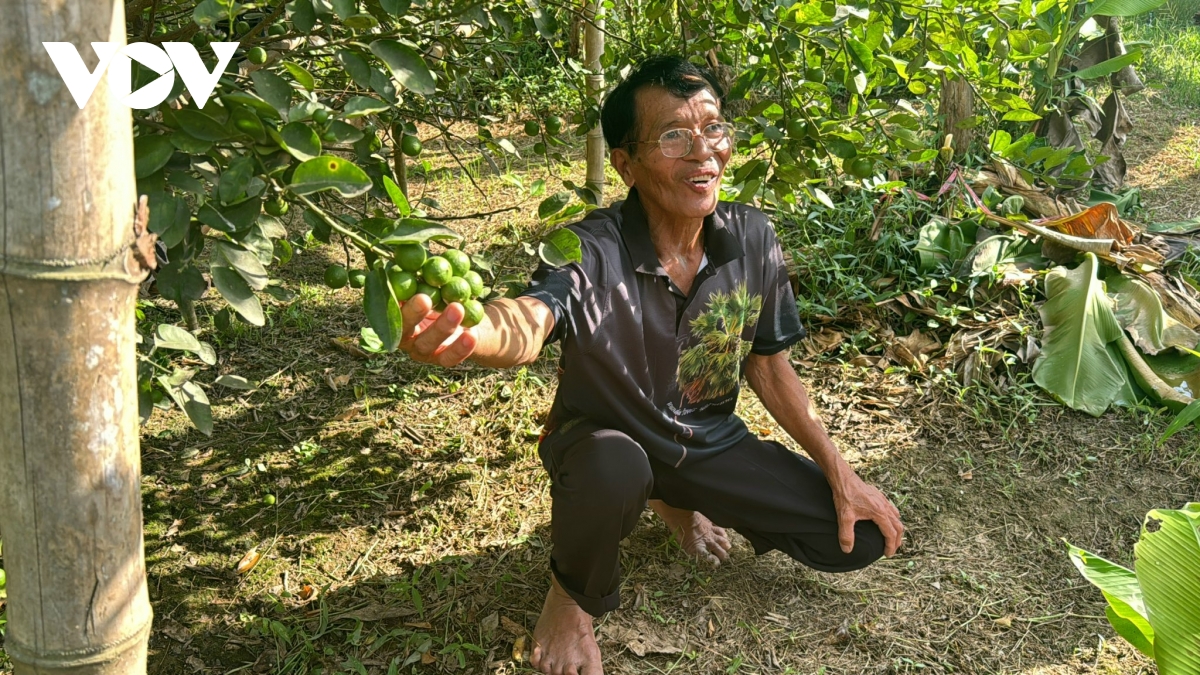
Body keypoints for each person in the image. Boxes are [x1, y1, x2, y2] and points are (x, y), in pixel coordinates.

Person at [396, 55, 905, 675]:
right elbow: (532, 318)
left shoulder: (751, 237)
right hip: (603, 443)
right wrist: (476, 333)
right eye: (673, 136)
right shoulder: (591, 247)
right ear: (625, 163)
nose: (703, 152)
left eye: (713, 129)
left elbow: (770, 369)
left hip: (706, 445)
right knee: (615, 463)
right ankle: (570, 598)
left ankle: (675, 498)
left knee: (860, 541)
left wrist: (840, 473)